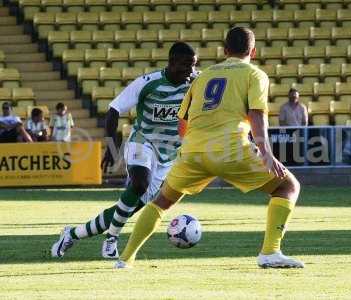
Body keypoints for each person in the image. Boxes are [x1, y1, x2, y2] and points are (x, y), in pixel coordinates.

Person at [115, 27, 304, 269]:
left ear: (225, 51)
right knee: (287, 186)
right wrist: (266, 153)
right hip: (230, 150)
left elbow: (182, 121)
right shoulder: (255, 75)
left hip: (193, 151)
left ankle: (125, 259)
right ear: (253, 52)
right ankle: (270, 252)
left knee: (162, 201)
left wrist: (190, 148)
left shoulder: (201, 77)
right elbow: (256, 115)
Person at [51, 42, 198, 259]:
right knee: (139, 184)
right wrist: (111, 146)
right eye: (186, 66)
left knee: (130, 206)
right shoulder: (149, 83)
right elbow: (114, 109)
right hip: (143, 142)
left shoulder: (196, 82)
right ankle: (111, 238)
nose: (190, 71)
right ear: (172, 63)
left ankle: (72, 234)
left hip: (169, 155)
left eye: (193, 66)